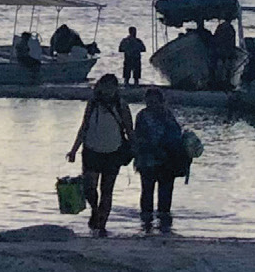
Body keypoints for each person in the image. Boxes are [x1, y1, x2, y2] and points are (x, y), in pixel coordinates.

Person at [66, 74, 133, 235]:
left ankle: (102, 224)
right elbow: (84, 128)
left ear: (116, 88)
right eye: (105, 86)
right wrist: (74, 149)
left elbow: (130, 130)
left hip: (113, 151)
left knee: (107, 190)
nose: (108, 90)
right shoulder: (93, 104)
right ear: (100, 87)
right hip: (91, 150)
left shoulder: (121, 105)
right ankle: (95, 210)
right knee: (89, 187)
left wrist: (135, 150)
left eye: (112, 86)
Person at [133, 86, 187, 230]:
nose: (152, 104)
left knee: (162, 194)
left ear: (161, 101)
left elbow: (176, 137)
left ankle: (155, 223)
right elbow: (139, 137)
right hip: (149, 160)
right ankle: (151, 223)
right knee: (148, 193)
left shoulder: (166, 116)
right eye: (150, 102)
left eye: (155, 102)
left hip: (164, 160)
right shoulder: (145, 116)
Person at [210, 16, 240, 91]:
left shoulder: (222, 27)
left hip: (223, 51)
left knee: (222, 68)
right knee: (225, 68)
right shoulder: (230, 28)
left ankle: (220, 83)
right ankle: (223, 83)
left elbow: (217, 39)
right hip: (225, 51)